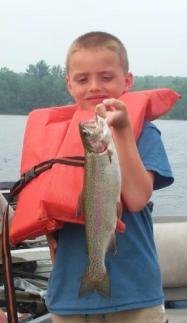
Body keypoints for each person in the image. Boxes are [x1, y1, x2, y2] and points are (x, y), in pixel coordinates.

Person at [45, 31, 173, 323]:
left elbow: (138, 198)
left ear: (127, 81)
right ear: (69, 84)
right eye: (82, 79)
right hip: (69, 294)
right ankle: (95, 270)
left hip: (135, 292)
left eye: (106, 77)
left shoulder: (144, 133)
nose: (94, 87)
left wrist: (123, 130)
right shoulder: (55, 138)